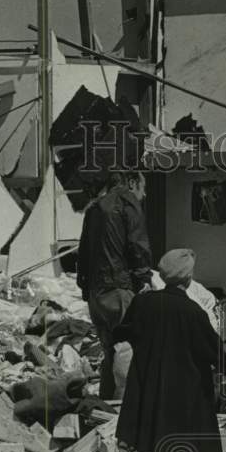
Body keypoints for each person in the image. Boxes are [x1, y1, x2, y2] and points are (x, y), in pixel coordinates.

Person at [114, 249, 226, 452]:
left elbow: (122, 332)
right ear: (188, 278)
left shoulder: (143, 303)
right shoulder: (193, 312)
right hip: (187, 396)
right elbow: (217, 357)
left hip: (153, 392)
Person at [76, 169, 152, 400]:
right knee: (128, 347)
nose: (144, 194)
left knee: (109, 350)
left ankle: (107, 406)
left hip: (96, 293)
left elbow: (83, 252)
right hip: (119, 288)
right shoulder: (127, 203)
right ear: (132, 183)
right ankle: (125, 407)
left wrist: (85, 288)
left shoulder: (94, 208)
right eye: (143, 188)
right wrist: (144, 280)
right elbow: (137, 246)